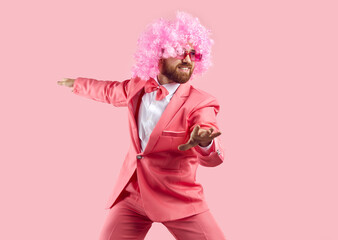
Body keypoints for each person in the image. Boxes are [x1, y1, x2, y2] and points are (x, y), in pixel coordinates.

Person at [57, 11, 226, 240]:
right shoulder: (138, 87)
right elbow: (109, 90)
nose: (187, 59)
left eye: (193, 54)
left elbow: (209, 143)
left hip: (178, 198)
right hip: (132, 195)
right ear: (158, 55)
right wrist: (77, 84)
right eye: (178, 52)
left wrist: (205, 141)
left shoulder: (201, 102)